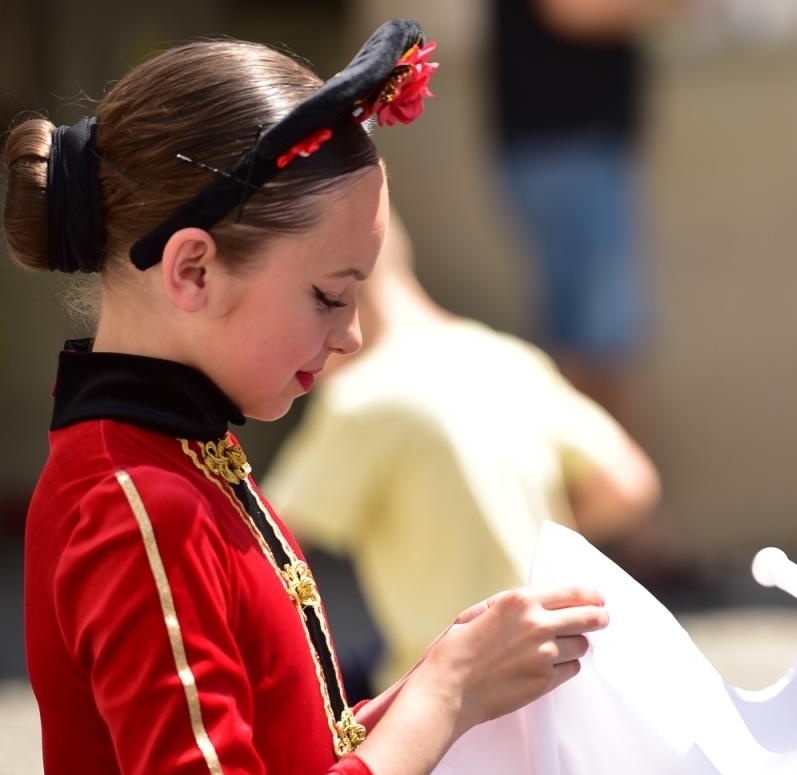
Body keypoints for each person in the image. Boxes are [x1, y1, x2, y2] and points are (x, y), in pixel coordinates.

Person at [5, 21, 608, 775]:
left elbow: (291, 765)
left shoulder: (181, 458)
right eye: (330, 295)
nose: (354, 335)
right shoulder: (134, 502)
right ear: (193, 272)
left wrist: (451, 677)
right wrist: (442, 699)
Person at [266, 215, 659, 692]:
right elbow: (629, 487)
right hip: (561, 662)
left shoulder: (364, 397)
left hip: (448, 685)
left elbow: (271, 547)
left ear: (339, 291)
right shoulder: (505, 356)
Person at [490, 0, 694, 422]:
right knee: (595, 349)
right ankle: (608, 512)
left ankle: (598, 509)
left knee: (585, 339)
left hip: (560, 141)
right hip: (565, 141)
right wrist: (663, 0)